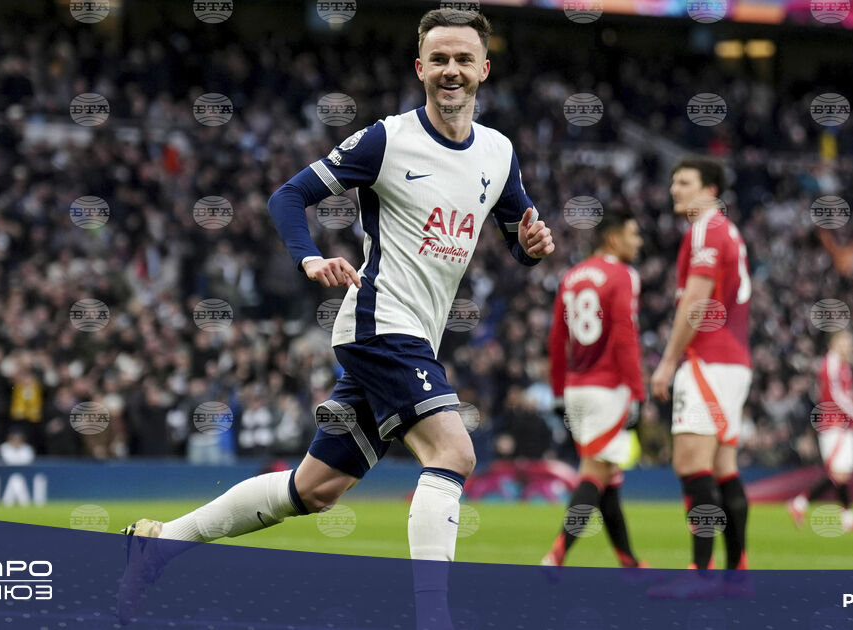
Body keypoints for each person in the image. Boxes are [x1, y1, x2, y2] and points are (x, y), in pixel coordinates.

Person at [117, 8, 555, 626]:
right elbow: (288, 195)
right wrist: (310, 258)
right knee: (454, 454)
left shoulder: (499, 152)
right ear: (420, 67)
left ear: (484, 69)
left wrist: (532, 247)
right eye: (439, 59)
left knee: (313, 489)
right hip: (381, 325)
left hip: (414, 338)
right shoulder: (387, 140)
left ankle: (160, 544)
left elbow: (520, 235)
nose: (451, 70)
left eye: (464, 59)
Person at [649, 157, 752, 571]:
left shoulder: (706, 229)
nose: (674, 189)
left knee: (691, 464)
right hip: (734, 361)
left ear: (709, 190)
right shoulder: (729, 230)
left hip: (707, 359)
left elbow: (696, 302)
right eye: (673, 182)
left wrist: (668, 362)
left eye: (684, 182)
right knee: (724, 468)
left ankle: (701, 574)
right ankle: (736, 572)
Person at [542, 210, 647, 569]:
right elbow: (625, 335)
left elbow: (557, 339)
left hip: (576, 389)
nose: (639, 242)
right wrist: (637, 391)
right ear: (614, 238)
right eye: (633, 234)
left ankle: (629, 562)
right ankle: (555, 556)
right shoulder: (623, 275)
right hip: (608, 389)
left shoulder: (571, 276)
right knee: (594, 474)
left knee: (608, 477)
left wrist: (558, 391)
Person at [787, 330, 853, 532]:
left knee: (843, 473)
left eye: (849, 342)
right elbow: (836, 396)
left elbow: (847, 396)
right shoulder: (831, 364)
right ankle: (800, 503)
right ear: (833, 343)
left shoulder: (843, 365)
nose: (848, 346)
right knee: (837, 473)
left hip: (844, 425)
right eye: (844, 341)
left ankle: (845, 518)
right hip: (832, 424)